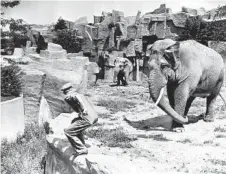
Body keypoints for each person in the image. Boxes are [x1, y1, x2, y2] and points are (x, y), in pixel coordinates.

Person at [61, 83, 98, 157]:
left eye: (65, 91)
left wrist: (84, 109)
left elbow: (78, 99)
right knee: (74, 122)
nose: (64, 93)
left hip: (87, 118)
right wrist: (81, 111)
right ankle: (81, 143)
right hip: (93, 116)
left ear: (68, 90)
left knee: (68, 131)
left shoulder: (73, 95)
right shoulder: (80, 94)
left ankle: (81, 149)